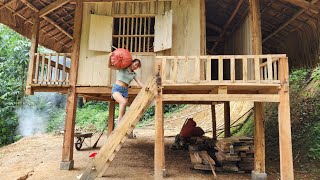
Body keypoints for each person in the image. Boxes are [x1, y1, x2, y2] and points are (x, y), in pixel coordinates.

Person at [108, 53, 144, 124]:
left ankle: (121, 125)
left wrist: (146, 87)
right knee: (123, 102)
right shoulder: (122, 68)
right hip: (117, 89)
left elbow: (139, 83)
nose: (136, 66)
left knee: (124, 110)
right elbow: (109, 66)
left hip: (125, 91)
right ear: (132, 62)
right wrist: (109, 57)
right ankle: (119, 121)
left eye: (137, 66)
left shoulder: (134, 74)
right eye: (135, 64)